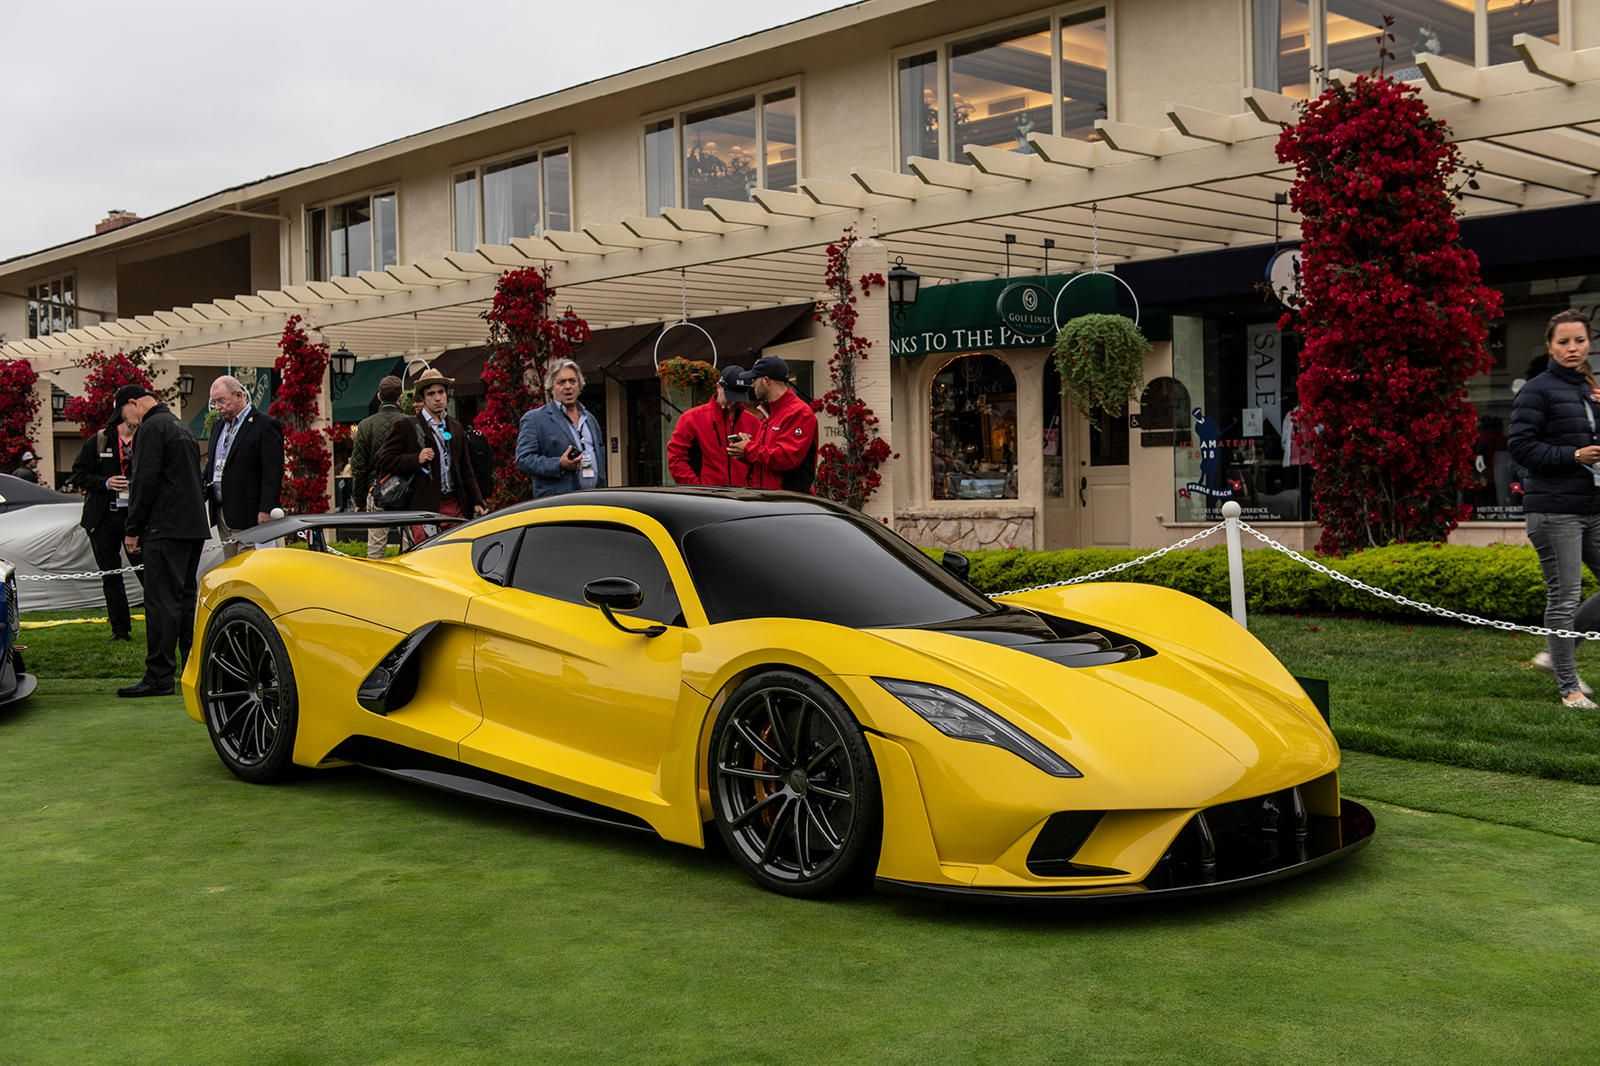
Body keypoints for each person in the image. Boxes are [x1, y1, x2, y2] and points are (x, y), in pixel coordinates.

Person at [1508, 309, 1600, 709]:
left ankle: (1554, 653)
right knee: (1564, 597)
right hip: (1553, 509)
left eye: (1578, 340)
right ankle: (1569, 689)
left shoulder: (1590, 388)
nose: (1572, 348)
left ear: (1589, 343)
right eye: (1563, 341)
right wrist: (1573, 455)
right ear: (1550, 346)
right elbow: (1521, 447)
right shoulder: (1537, 390)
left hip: (1592, 506)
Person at [116, 384, 209, 698]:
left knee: (161, 603)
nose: (127, 421)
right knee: (185, 602)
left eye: (125, 414)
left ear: (133, 403)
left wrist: (133, 528)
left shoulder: (151, 428)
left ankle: (159, 676)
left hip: (165, 528)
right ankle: (190, 671)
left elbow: (144, 481)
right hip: (192, 526)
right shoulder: (181, 427)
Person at [376, 368, 486, 545]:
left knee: (455, 556)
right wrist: (415, 458)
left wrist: (477, 501)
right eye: (431, 393)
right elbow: (383, 459)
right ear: (423, 397)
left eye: (441, 392)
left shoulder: (456, 427)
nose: (437, 398)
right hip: (422, 507)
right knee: (425, 561)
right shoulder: (407, 426)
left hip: (454, 505)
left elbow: (466, 469)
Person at [70, 413, 145, 641]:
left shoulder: (146, 439)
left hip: (135, 517)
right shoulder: (100, 440)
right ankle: (120, 630)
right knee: (111, 576)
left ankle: (160, 624)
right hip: (103, 518)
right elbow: (78, 474)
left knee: (147, 572)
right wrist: (105, 483)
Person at [202, 375, 283, 539]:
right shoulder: (218, 427)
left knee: (251, 562)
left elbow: (272, 471)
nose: (218, 407)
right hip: (222, 512)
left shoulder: (265, 425)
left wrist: (266, 509)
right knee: (230, 563)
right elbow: (212, 466)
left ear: (239, 395)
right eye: (214, 402)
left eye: (221, 401)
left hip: (250, 514)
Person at [515, 359, 607, 498]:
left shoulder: (590, 419)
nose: (568, 386)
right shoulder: (535, 419)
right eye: (561, 382)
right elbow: (524, 460)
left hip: (593, 501)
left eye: (572, 381)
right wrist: (559, 464)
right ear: (551, 387)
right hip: (558, 505)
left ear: (579, 385)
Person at [728, 354, 818, 492]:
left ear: (766, 381)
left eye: (754, 380)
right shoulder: (770, 411)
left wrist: (749, 448)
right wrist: (744, 450)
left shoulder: (799, 412)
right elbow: (767, 457)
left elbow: (786, 458)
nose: (752, 385)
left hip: (787, 502)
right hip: (768, 498)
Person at [666, 364, 761, 487]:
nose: (733, 402)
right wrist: (697, 489)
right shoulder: (691, 418)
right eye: (730, 396)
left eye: (738, 397)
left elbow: (758, 463)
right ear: (718, 387)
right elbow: (676, 458)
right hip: (707, 498)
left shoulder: (753, 422)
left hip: (742, 498)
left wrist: (751, 488)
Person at [351, 375, 406, 558]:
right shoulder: (410, 423)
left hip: (376, 490)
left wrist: (358, 500)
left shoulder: (366, 426)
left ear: (379, 397)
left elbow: (358, 467)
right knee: (410, 546)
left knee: (375, 547)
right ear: (401, 397)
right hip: (406, 491)